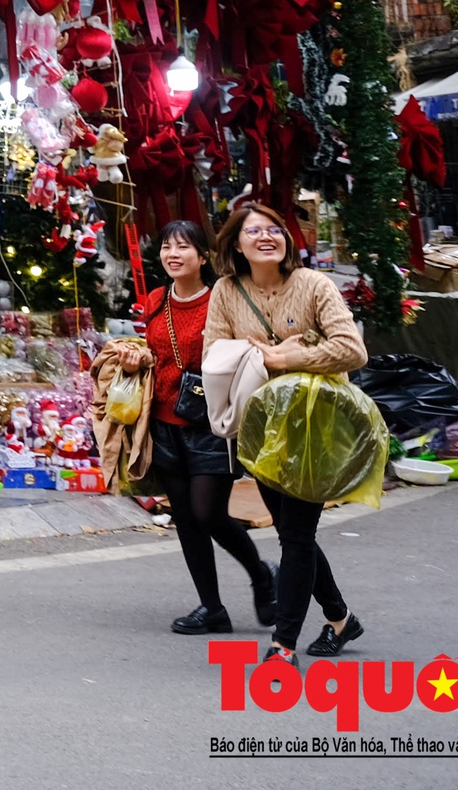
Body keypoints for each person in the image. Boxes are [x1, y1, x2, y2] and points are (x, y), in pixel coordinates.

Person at [204, 199, 369, 668]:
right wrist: (263, 356)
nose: (266, 236)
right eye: (253, 231)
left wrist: (285, 358)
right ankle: (340, 618)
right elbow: (214, 351)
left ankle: (283, 645)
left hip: (315, 426)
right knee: (293, 532)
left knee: (296, 536)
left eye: (274, 229)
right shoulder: (226, 291)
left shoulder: (314, 285)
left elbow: (352, 350)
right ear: (236, 245)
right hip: (259, 428)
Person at [136, 219, 275, 635]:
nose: (173, 254)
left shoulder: (222, 298)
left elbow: (243, 352)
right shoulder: (156, 300)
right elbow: (152, 351)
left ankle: (261, 573)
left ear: (203, 256)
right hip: (164, 423)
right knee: (185, 517)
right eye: (166, 247)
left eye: (183, 247)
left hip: (211, 423)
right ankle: (211, 608)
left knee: (208, 512)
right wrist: (134, 358)